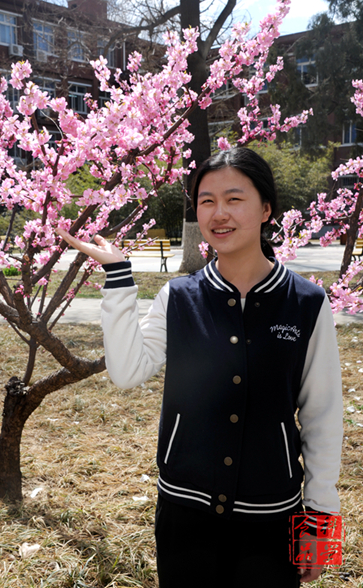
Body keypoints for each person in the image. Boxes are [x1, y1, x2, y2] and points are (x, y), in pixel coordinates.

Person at [58, 147, 343, 587]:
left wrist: (321, 527)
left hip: (272, 512)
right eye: (207, 201)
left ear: (266, 209)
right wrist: (118, 276)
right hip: (184, 511)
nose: (218, 213)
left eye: (234, 199)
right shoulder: (178, 297)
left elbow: (324, 416)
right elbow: (126, 372)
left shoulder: (307, 302)